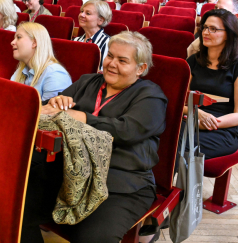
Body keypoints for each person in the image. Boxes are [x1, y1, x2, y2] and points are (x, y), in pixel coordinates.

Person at [21, 30, 167, 243]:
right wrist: (55, 104)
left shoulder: (151, 96)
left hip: (120, 183)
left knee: (93, 238)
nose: (112, 64)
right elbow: (56, 109)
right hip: (70, 173)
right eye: (110, 56)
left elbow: (127, 130)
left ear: (141, 69)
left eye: (122, 60)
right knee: (19, 208)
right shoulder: (88, 82)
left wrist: (83, 117)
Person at [181, 9, 238, 161]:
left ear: (228, 34)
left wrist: (208, 123)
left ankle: (177, 185)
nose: (205, 32)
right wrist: (197, 114)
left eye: (213, 29)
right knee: (161, 136)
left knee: (180, 145)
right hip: (191, 120)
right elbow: (180, 102)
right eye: (205, 27)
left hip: (223, 129)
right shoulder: (193, 61)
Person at [11, 22, 72, 101]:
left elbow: (49, 112)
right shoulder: (21, 71)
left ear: (34, 43)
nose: (12, 42)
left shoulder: (55, 74)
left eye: (19, 37)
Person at [73, 0, 111, 70]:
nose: (82, 15)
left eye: (88, 13)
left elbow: (101, 73)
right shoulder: (75, 40)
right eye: (82, 11)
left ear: (100, 20)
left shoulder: (108, 43)